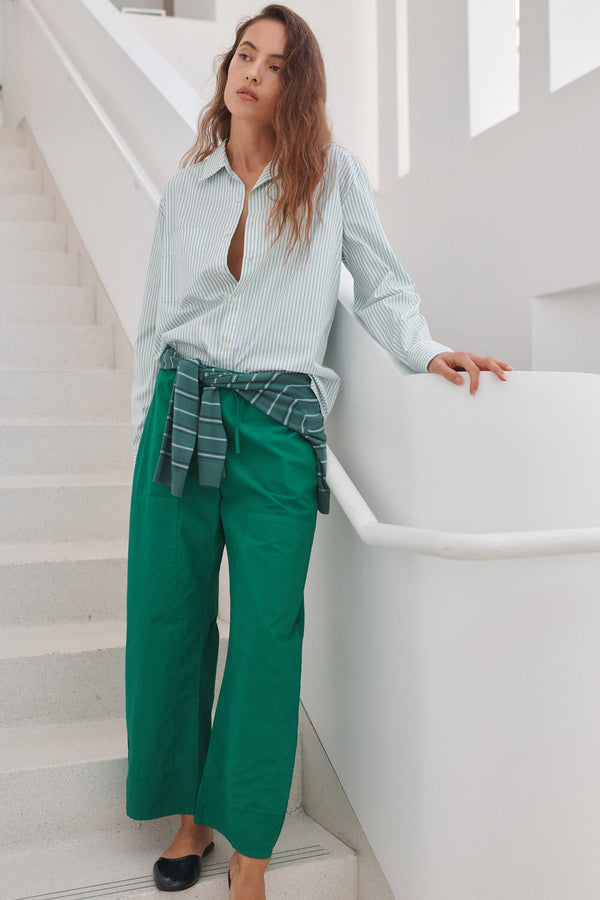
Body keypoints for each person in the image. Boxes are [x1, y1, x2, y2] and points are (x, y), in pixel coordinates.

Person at [124, 5, 512, 898]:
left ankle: (250, 851)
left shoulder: (333, 176)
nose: (251, 73)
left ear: (295, 86)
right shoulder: (185, 190)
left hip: (278, 424)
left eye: (274, 64)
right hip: (180, 408)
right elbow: (154, 321)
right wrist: (141, 433)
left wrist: (426, 350)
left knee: (268, 632)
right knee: (169, 619)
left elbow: (382, 286)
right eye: (244, 54)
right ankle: (189, 816)